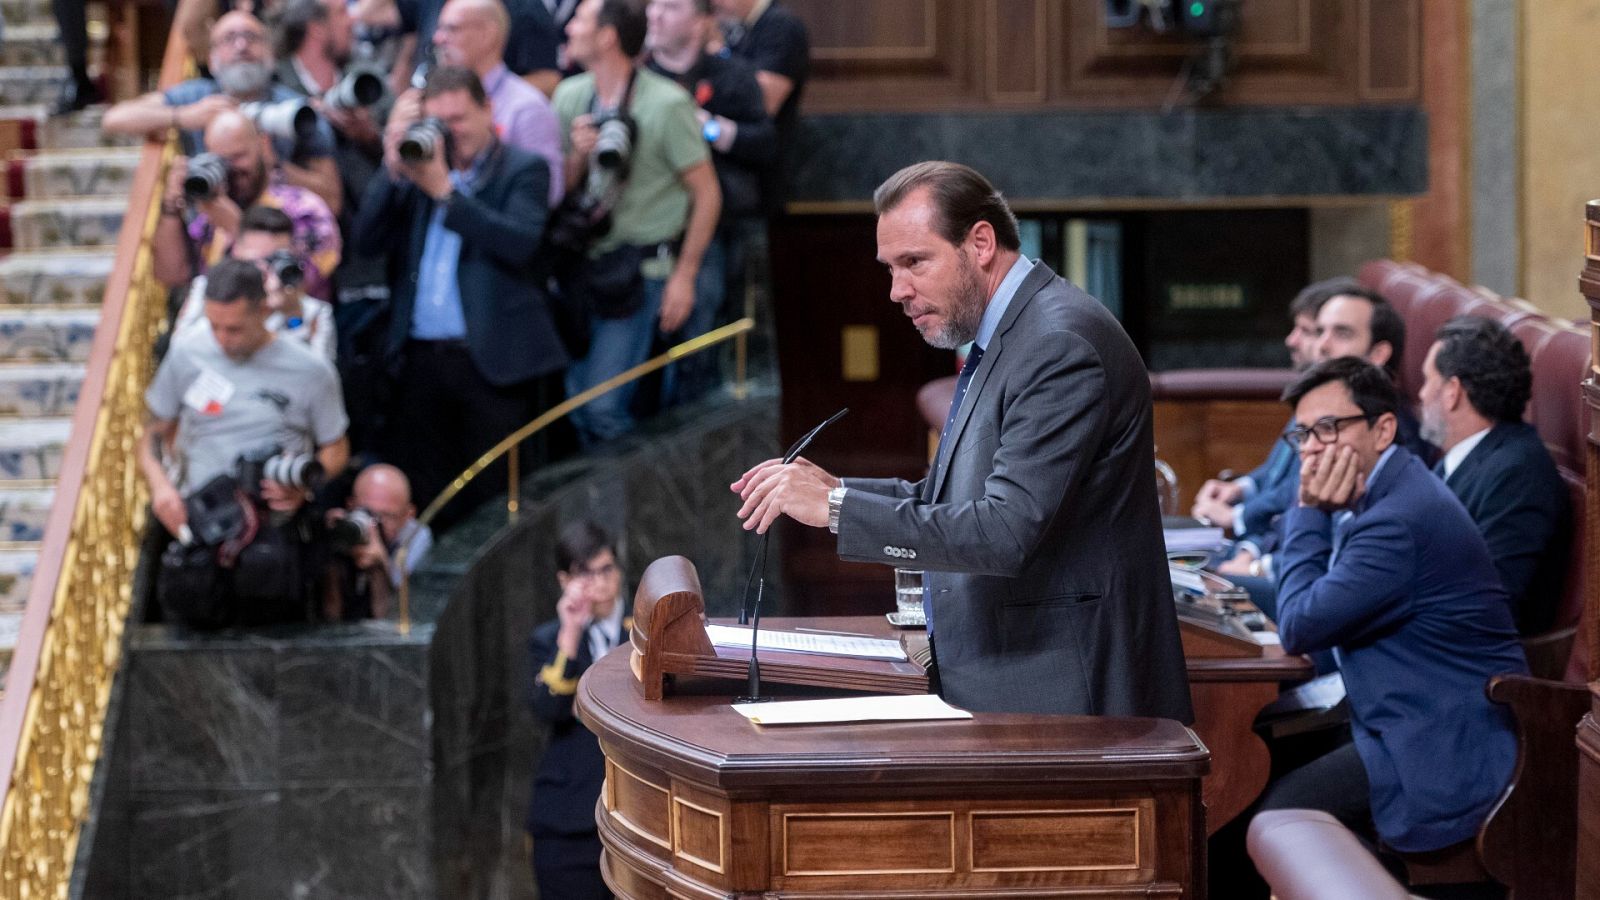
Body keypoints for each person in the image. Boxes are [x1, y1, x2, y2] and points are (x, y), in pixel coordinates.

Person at [731, 161, 1192, 721]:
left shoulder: (1059, 343)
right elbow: (956, 495)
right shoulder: (1013, 331)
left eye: (915, 262)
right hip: (1020, 680)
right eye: (890, 268)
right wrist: (840, 488)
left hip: (1067, 699)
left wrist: (835, 510)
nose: (898, 291)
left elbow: (1003, 531)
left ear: (979, 242)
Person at [1259, 356, 1526, 874]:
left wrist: (1309, 510)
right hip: (1389, 714)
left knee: (1279, 815)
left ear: (1383, 429)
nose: (1311, 448)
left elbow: (1298, 626)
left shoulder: (1397, 521)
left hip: (1440, 745)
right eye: (1302, 436)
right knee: (1259, 762)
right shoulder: (1392, 489)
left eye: (1328, 429)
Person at [353, 65, 567, 524]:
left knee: (494, 503)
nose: (450, 133)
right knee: (430, 495)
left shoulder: (521, 168)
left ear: (488, 110)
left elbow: (521, 242)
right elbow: (365, 242)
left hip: (491, 365)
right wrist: (392, 171)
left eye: (459, 120)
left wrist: (447, 194)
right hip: (420, 362)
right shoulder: (417, 169)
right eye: (439, 122)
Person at [140, 258, 350, 626]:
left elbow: (335, 447)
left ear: (264, 309)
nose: (222, 339)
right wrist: (161, 488)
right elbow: (151, 436)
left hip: (275, 533)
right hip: (200, 526)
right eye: (214, 326)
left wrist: (305, 487)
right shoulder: (189, 350)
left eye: (234, 329)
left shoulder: (310, 370)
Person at [555, 0, 722, 444]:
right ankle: (613, 507)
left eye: (580, 20)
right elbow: (559, 193)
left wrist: (684, 276)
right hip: (583, 269)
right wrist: (578, 154)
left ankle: (640, 503)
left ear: (607, 35)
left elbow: (707, 194)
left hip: (644, 272)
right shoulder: (570, 96)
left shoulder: (666, 103)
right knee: (574, 398)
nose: (569, 28)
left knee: (602, 406)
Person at [645, 0, 776, 403]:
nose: (655, 14)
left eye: (671, 7)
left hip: (714, 232)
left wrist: (709, 129)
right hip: (646, 232)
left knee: (700, 346)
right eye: (652, 6)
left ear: (703, 22)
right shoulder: (640, 77)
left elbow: (765, 144)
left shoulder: (732, 76)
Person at [102, 11, 344, 213]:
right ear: (212, 59)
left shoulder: (297, 110)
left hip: (277, 229)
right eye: (229, 39)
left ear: (270, 54)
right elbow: (114, 119)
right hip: (207, 232)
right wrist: (183, 116)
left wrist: (274, 168)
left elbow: (333, 201)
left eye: (252, 37)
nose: (241, 46)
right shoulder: (197, 97)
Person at [1419, 315, 1569, 634]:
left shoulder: (1518, 472)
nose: (1420, 395)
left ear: (1452, 391)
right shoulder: (1459, 460)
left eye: (1427, 380)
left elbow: (1487, 601)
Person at [1190, 276, 1360, 537]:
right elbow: (1278, 473)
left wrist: (1250, 540)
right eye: (1320, 332)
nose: (1292, 341)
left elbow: (1301, 492)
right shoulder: (1314, 397)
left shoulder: (1351, 415)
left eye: (1305, 330)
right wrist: (1242, 488)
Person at [527, 520, 625, 900]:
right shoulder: (548, 640)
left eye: (606, 570)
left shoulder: (644, 632)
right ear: (564, 579)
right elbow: (548, 708)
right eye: (585, 574)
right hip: (567, 820)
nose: (599, 583)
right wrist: (570, 630)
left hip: (636, 815)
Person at [151, 110, 343, 303]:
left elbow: (304, 285)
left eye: (238, 156)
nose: (231, 168)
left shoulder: (305, 209)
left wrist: (237, 229)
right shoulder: (210, 216)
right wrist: (170, 208)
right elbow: (172, 275)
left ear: (264, 145)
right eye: (220, 159)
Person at [423, 0, 564, 203]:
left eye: (452, 28)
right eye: (440, 28)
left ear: (486, 35)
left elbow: (548, 194)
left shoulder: (526, 109)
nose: (438, 38)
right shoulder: (429, 101)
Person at [172, 205, 338, 361]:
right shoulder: (207, 290)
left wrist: (292, 316)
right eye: (257, 261)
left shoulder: (312, 312)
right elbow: (179, 353)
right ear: (237, 252)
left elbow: (319, 379)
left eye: (275, 260)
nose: (266, 271)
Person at [323, 463, 433, 619]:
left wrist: (380, 564)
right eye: (367, 512)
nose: (374, 524)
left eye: (387, 516)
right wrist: (329, 545)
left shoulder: (416, 536)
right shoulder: (344, 530)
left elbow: (403, 614)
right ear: (350, 505)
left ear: (409, 514)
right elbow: (330, 616)